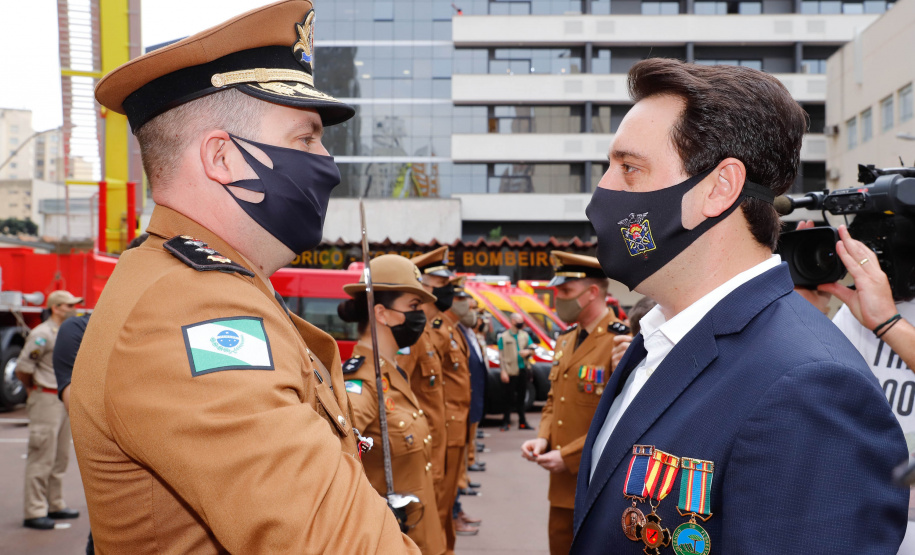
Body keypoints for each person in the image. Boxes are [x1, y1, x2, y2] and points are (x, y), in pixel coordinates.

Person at [69, 2, 418, 552]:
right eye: (306, 139)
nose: (327, 161)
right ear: (223, 158)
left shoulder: (213, 284)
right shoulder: (188, 308)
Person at [574, 58, 907, 553]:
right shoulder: (660, 337)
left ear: (720, 187)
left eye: (629, 168)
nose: (604, 190)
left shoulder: (808, 386)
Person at [794, 221, 915, 551]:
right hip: (866, 513)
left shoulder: (879, 311)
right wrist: (801, 308)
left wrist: (888, 323)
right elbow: (820, 389)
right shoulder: (859, 306)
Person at [338, 254, 446, 555]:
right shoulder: (362, 382)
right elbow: (331, 457)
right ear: (382, 314)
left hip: (420, 536)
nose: (420, 315)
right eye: (413, 307)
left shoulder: (391, 371)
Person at [520, 251, 625, 555]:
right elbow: (555, 398)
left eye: (565, 292)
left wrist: (568, 456)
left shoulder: (620, 342)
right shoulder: (565, 339)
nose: (558, 298)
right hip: (561, 483)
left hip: (595, 478)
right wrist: (542, 437)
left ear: (592, 293)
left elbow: (617, 417)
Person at [397, 246, 465, 552]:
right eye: (440, 284)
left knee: (441, 516)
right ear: (422, 288)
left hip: (444, 440)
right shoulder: (415, 334)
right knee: (427, 524)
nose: (447, 291)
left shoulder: (434, 328)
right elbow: (397, 391)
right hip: (427, 447)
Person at [15, 289, 82, 530]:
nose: (74, 309)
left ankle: (55, 504)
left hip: (60, 399)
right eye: (69, 305)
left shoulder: (63, 332)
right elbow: (23, 367)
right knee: (41, 456)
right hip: (45, 398)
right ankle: (34, 511)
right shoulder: (42, 334)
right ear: (56, 308)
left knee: (60, 456)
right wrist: (31, 389)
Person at [497, 313, 533, 431]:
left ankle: (522, 422)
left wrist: (528, 352)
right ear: (512, 321)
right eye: (519, 320)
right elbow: (501, 356)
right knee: (508, 398)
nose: (521, 323)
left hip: (523, 370)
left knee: (522, 397)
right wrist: (503, 371)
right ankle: (506, 422)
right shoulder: (504, 337)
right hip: (510, 371)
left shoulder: (525, 335)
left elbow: (533, 348)